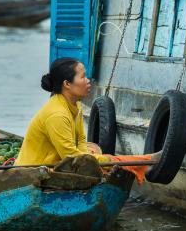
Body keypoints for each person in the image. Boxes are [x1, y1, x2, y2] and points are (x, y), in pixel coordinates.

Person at [15, 58, 157, 182]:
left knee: (95, 155)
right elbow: (71, 157)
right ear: (67, 84)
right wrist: (108, 160)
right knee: (105, 160)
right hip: (32, 175)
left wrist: (97, 159)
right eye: (83, 77)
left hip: (54, 167)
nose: (88, 81)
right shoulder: (57, 114)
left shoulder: (75, 105)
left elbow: (81, 142)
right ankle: (147, 160)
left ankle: (146, 161)